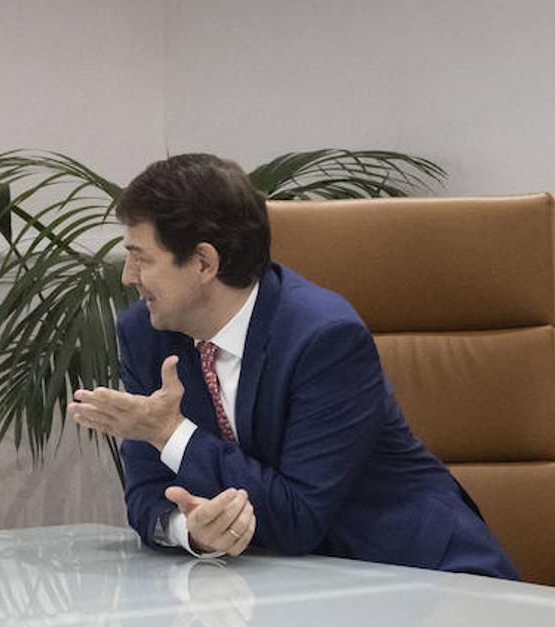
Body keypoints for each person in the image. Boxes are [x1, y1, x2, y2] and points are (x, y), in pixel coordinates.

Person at [69, 153, 517, 578]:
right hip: (286, 588)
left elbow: (298, 514)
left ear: (204, 262)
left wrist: (168, 432)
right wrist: (194, 532)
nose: (128, 276)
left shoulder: (324, 338)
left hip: (422, 578)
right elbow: (146, 494)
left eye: (141, 257)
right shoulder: (147, 335)